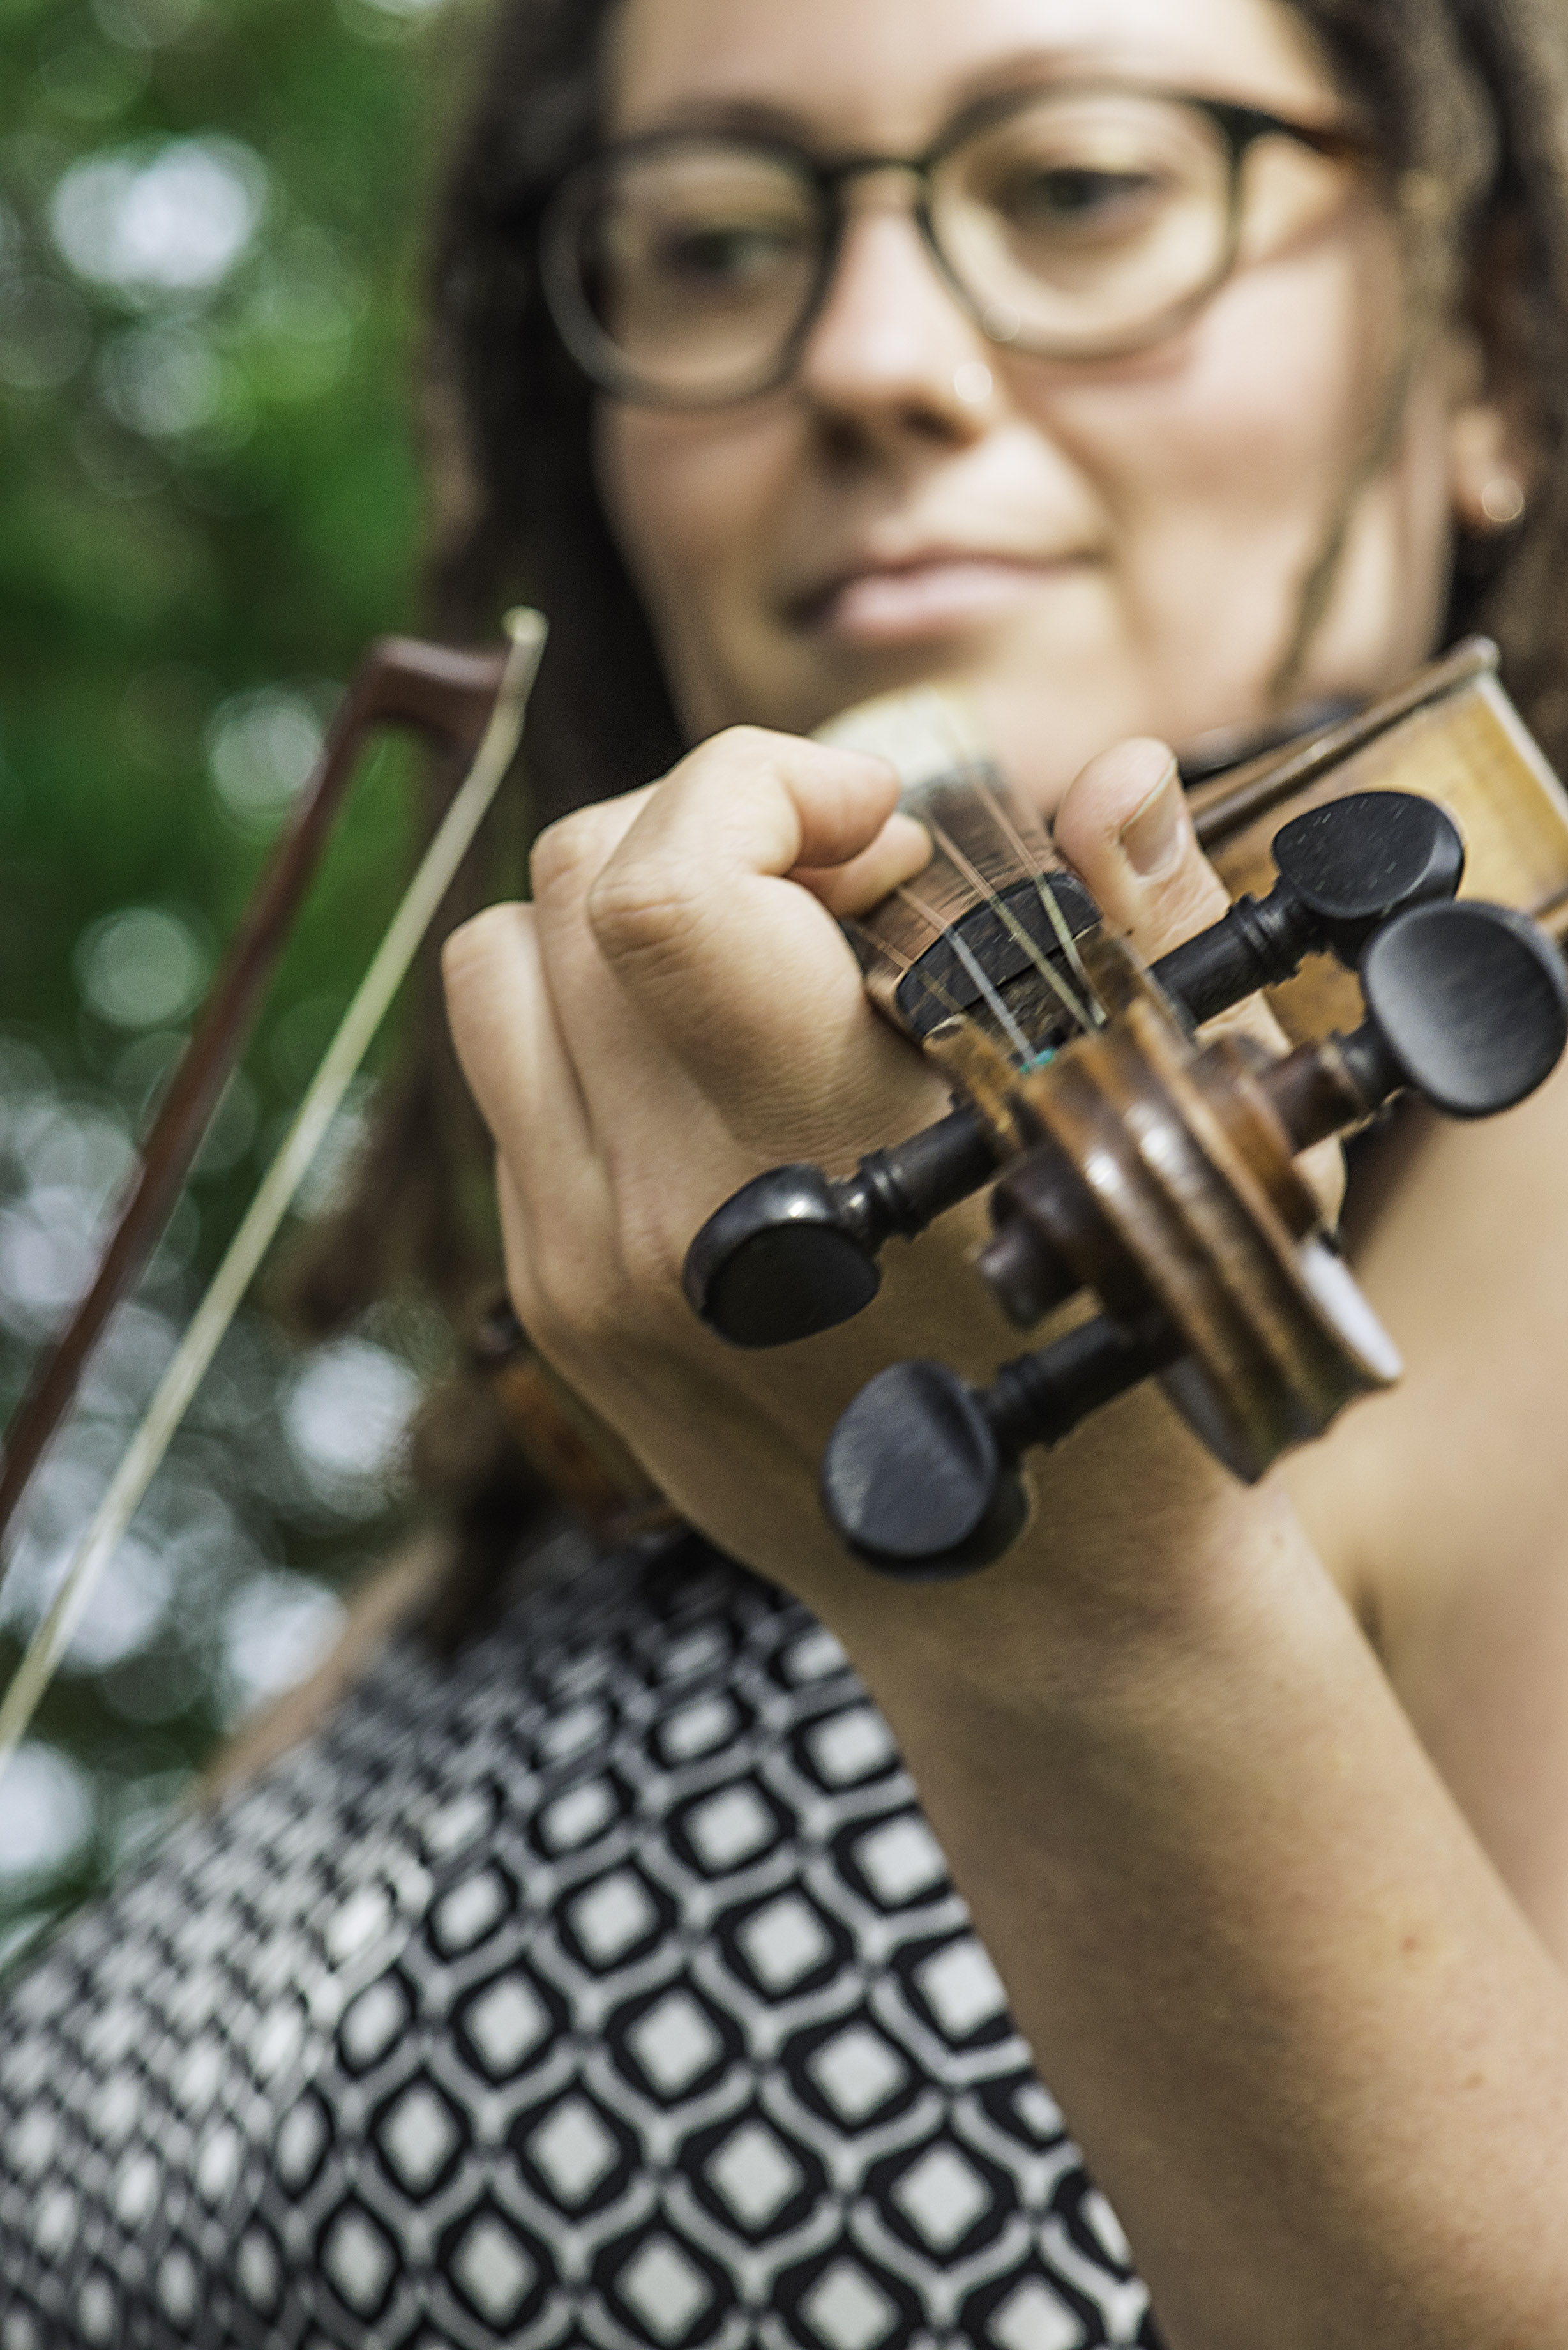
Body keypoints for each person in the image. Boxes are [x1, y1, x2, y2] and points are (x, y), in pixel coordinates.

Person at [5, 0, 1568, 2342]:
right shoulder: (590, 1446)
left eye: (1079, 189)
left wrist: (1099, 1618)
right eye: (719, 245)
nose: (864, 352)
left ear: (1491, 367)